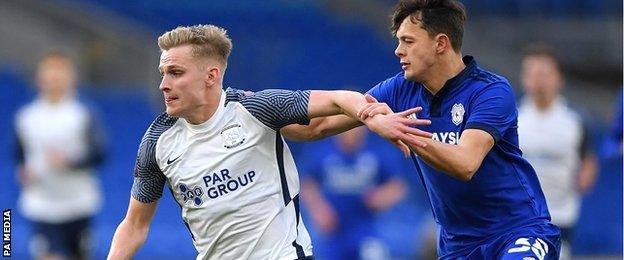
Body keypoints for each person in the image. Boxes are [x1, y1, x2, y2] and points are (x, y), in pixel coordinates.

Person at [106, 24, 432, 260]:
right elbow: (135, 225)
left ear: (211, 76)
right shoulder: (157, 140)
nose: (164, 84)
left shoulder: (255, 109)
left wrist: (372, 117)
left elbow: (337, 99)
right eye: (163, 73)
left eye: (175, 72)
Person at [283, 0, 561, 259]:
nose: (398, 50)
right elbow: (316, 128)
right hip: (458, 245)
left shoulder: (490, 91)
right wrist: (260, 112)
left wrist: (400, 130)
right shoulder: (399, 90)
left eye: (408, 41)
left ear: (440, 43)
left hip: (518, 231)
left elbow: (465, 163)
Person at [13, 51, 106, 260]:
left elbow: (99, 154)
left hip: (79, 204)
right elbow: (19, 154)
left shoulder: (83, 113)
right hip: (42, 205)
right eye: (49, 73)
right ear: (39, 78)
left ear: (70, 77)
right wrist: (23, 171)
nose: (54, 78)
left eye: (60, 72)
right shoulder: (26, 117)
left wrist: (70, 163)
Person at [517, 43, 597, 259]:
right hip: (520, 216)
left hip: (561, 215)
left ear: (559, 78)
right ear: (524, 79)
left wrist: (586, 175)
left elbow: (588, 157)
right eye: (532, 73)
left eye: (544, 73)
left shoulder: (576, 120)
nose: (538, 79)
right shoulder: (510, 120)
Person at [300, 127, 407, 260]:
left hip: (366, 227)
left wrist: (381, 197)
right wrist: (318, 209)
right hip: (333, 229)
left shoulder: (376, 152)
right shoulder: (322, 152)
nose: (351, 133)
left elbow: (398, 186)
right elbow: (308, 184)